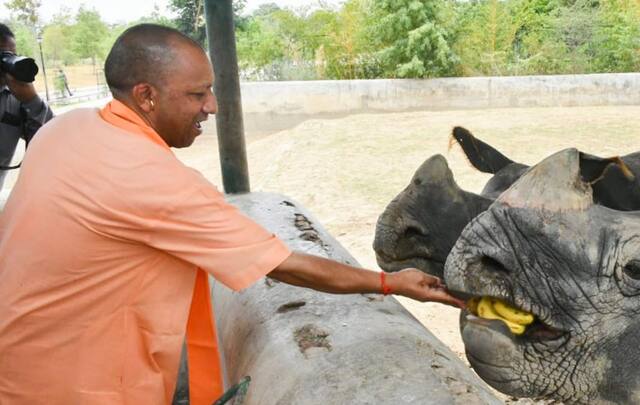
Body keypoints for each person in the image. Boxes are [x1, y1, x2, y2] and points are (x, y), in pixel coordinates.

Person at [0, 24, 463, 404]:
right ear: (146, 96)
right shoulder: (153, 179)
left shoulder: (68, 127)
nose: (211, 107)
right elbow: (285, 265)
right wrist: (390, 283)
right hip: (81, 390)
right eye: (197, 94)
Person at [0, 23, 53, 188]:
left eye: (10, 55)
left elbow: (53, 138)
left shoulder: (17, 98)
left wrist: (32, 100)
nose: (5, 63)